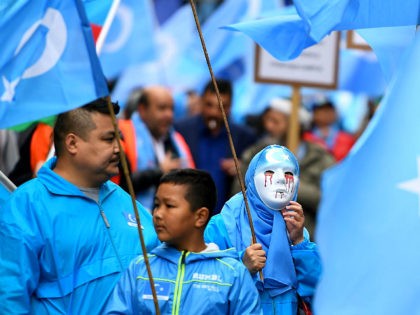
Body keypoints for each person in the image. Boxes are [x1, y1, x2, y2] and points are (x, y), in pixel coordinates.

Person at [0, 98, 160, 314]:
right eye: (109, 139)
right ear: (72, 143)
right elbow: (10, 296)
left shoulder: (123, 199)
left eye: (119, 138)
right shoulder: (28, 204)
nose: (119, 148)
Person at [105, 168, 262, 314]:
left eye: (170, 206)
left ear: (200, 216)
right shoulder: (140, 268)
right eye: (157, 205)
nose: (158, 214)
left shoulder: (232, 274)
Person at [205, 145, 321, 315]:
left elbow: (317, 291)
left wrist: (299, 244)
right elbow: (204, 286)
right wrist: (241, 266)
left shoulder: (295, 228)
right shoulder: (222, 225)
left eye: (289, 173)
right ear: (252, 177)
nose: (280, 180)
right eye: (270, 172)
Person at [235, 98, 335, 236]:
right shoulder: (259, 152)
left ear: (295, 125)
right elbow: (240, 187)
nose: (269, 126)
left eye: (275, 122)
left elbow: (328, 199)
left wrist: (288, 184)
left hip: (304, 238)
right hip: (260, 238)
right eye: (268, 120)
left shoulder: (320, 158)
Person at [174, 79, 257, 214]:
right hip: (187, 216)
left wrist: (242, 168)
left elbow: (255, 174)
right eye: (209, 105)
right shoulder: (182, 130)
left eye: (221, 107)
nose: (214, 112)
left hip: (226, 219)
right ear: (200, 102)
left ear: (230, 107)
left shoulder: (244, 137)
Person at [118, 86, 195, 211]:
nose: (169, 114)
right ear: (142, 110)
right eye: (162, 108)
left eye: (171, 109)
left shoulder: (175, 138)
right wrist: (160, 171)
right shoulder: (123, 134)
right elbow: (121, 183)